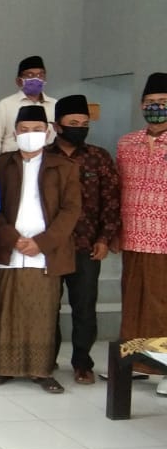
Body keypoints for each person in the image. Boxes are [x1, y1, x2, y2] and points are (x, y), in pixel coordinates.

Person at [0, 105, 81, 393]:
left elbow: (71, 210)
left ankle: (42, 371)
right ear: (15, 133)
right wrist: (11, 238)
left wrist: (42, 242)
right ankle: (4, 368)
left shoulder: (64, 167)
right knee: (7, 310)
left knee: (43, 311)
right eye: (24, 130)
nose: (30, 135)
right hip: (9, 249)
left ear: (48, 132)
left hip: (46, 252)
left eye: (37, 130)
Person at [46, 94, 120, 384]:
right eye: (73, 123)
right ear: (57, 126)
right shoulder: (43, 155)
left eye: (84, 124)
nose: (80, 128)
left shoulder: (99, 157)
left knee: (85, 307)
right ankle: (46, 359)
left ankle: (82, 363)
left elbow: (111, 201)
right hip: (51, 246)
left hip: (87, 245)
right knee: (48, 306)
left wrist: (105, 238)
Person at [116, 72, 167, 395]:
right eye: (150, 102)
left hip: (164, 239)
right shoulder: (127, 143)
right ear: (141, 105)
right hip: (133, 236)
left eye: (163, 102)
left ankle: (164, 367)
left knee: (161, 305)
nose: (156, 107)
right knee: (133, 303)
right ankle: (136, 362)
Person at [0, 55, 57, 156]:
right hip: (11, 161)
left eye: (40, 75)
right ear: (19, 81)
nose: (36, 79)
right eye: (30, 75)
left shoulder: (55, 105)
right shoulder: (5, 105)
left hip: (47, 161)